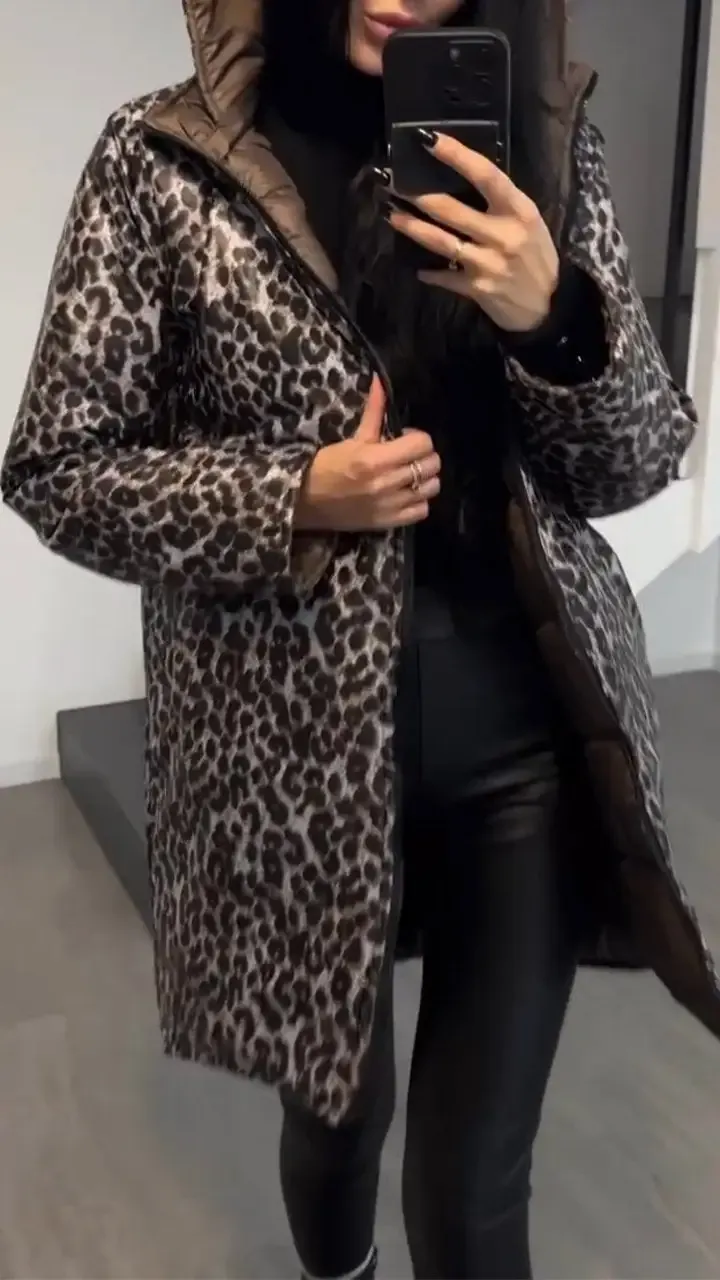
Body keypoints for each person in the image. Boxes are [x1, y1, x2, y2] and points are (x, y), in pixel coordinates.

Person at [3, 0, 719, 1276]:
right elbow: (58, 466)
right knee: (337, 1119)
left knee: (472, 1181)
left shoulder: (549, 149)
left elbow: (640, 459)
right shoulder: (161, 158)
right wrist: (293, 493)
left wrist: (553, 315)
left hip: (523, 734)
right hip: (284, 758)